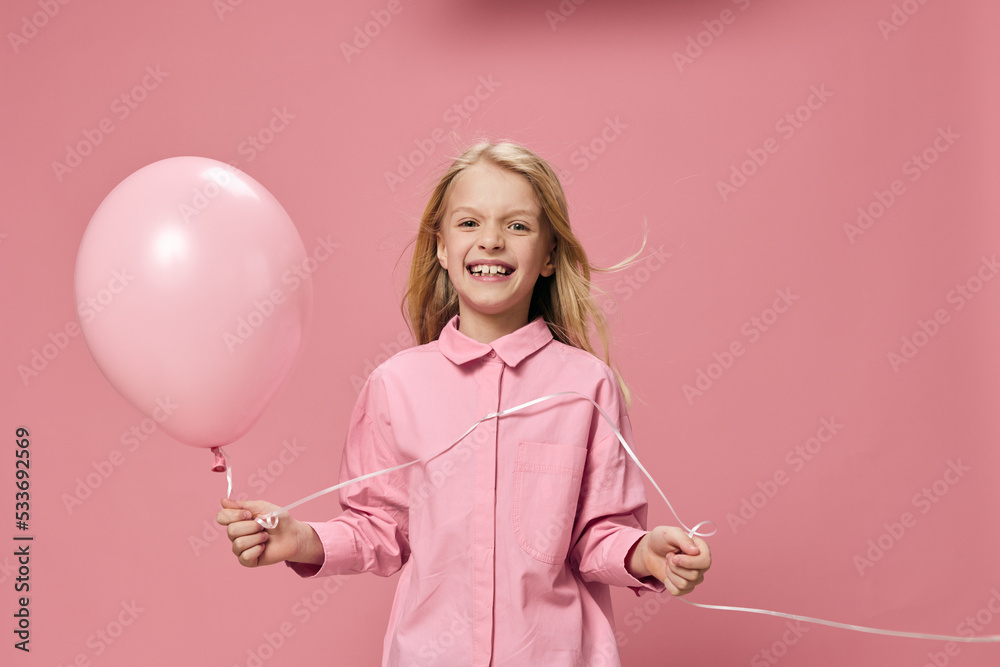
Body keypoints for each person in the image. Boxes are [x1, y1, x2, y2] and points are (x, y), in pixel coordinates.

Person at [216, 141, 711, 666]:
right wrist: (300, 539)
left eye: (517, 226)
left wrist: (644, 553)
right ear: (441, 248)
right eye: (470, 223)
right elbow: (379, 528)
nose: (492, 240)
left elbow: (598, 536)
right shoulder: (396, 385)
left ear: (548, 255)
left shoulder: (589, 386)